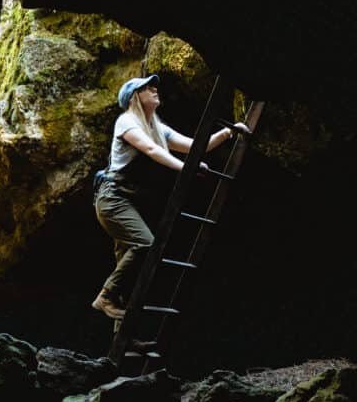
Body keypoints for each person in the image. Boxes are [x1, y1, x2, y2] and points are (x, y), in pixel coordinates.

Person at [91, 74, 249, 320]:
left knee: (131, 273)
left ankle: (124, 336)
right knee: (146, 244)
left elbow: (198, 146)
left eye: (154, 86)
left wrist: (228, 132)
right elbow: (151, 150)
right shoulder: (126, 121)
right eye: (147, 87)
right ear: (135, 97)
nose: (154, 89)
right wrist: (187, 168)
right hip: (112, 198)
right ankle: (105, 296)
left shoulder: (157, 127)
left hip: (129, 202)